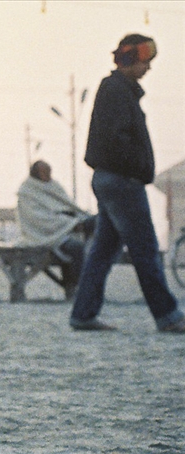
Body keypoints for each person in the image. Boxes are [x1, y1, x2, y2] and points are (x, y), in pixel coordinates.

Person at [69, 34, 185, 332]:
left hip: (111, 180)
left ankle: (83, 314)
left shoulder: (118, 90)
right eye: (145, 60)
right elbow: (116, 139)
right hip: (122, 182)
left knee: (103, 251)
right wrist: (136, 169)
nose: (148, 67)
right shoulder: (116, 90)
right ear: (131, 58)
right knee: (145, 249)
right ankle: (169, 316)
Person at [16, 160, 95, 292]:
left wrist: (75, 220)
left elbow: (68, 206)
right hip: (45, 236)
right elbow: (38, 219)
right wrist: (70, 224)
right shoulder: (27, 191)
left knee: (98, 222)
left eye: (49, 172)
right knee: (77, 248)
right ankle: (78, 287)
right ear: (36, 173)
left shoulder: (54, 186)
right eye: (45, 172)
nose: (49, 175)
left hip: (65, 228)